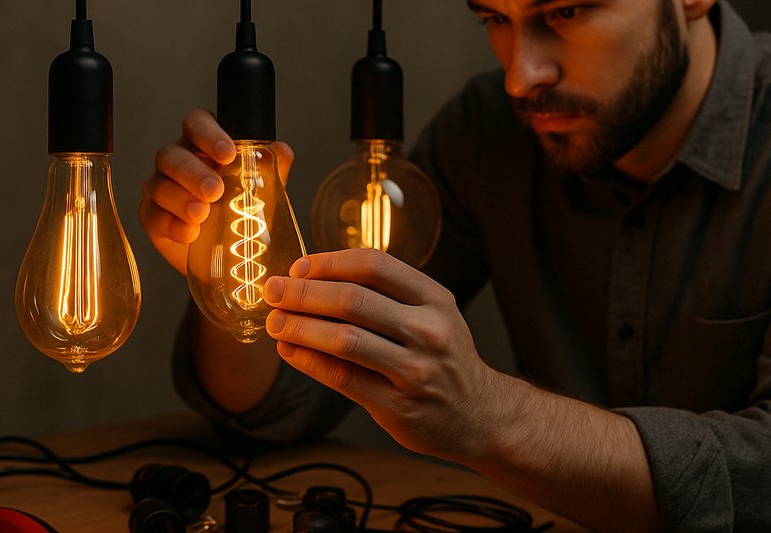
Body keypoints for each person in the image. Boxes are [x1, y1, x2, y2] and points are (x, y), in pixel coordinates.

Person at [139, 0, 771, 531]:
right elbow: (282, 407)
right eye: (494, 18)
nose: (520, 77)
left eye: (566, 12)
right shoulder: (488, 133)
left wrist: (491, 416)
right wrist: (227, 278)